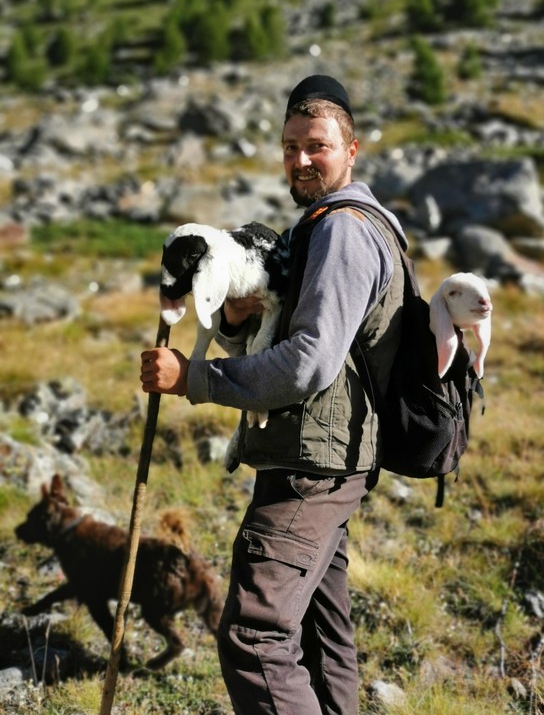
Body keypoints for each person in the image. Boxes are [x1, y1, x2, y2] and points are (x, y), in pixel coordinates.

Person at [140, 75, 408, 715]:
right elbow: (289, 346)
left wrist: (194, 378)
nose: (301, 159)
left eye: (316, 144)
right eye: (290, 146)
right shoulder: (324, 228)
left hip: (311, 468)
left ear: (351, 148)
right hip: (324, 456)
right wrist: (235, 321)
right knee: (321, 635)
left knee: (252, 634)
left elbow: (309, 366)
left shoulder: (344, 232)